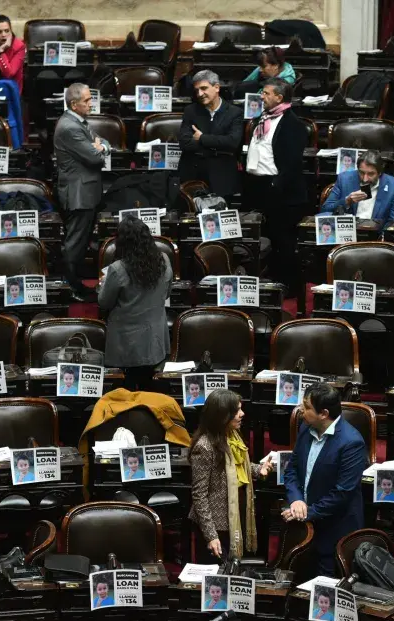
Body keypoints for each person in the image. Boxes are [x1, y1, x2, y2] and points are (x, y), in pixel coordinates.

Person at [282, 383, 367, 574]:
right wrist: (296, 499)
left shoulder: (351, 443)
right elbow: (292, 469)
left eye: (307, 407)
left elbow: (342, 493)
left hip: (334, 531)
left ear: (323, 413)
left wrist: (306, 512)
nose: (302, 410)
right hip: (303, 527)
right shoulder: (305, 427)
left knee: (325, 593)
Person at [190, 388, 271, 560]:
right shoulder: (204, 447)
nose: (242, 414)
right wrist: (211, 535)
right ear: (222, 415)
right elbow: (199, 495)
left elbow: (238, 467)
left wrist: (258, 469)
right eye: (236, 411)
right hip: (215, 524)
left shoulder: (233, 435)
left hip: (234, 514)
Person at [245, 77, 307, 293]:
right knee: (268, 237)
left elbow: (292, 164)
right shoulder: (262, 118)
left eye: (266, 93)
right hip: (259, 186)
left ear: (279, 97)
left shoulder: (293, 125)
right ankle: (272, 281)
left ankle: (290, 286)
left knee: (284, 241)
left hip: (282, 192)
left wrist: (275, 185)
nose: (262, 96)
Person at [99, 217, 172, 391]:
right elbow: (166, 293)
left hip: (126, 344)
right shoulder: (164, 259)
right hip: (155, 340)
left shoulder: (118, 268)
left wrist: (102, 285)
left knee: (127, 393)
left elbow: (104, 302)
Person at [56, 82, 110, 301]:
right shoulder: (69, 127)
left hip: (86, 192)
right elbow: (94, 157)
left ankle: (75, 285)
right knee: (75, 244)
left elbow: (103, 143)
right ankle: (71, 288)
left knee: (80, 241)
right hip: (78, 194)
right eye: (87, 100)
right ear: (74, 104)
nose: (91, 103)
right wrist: (98, 149)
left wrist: (101, 146)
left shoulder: (78, 121)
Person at [178, 70, 244, 200]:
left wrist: (202, 138)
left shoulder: (234, 113)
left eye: (204, 88)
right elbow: (185, 143)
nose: (200, 94)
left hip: (222, 175)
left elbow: (232, 142)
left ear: (217, 87)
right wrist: (217, 146)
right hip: (194, 173)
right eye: (197, 90)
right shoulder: (190, 111)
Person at [318, 150, 394, 226]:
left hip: (375, 237)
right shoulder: (344, 179)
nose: (365, 179)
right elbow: (325, 209)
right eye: (361, 173)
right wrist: (347, 201)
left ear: (380, 173)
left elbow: (393, 222)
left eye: (371, 174)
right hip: (347, 232)